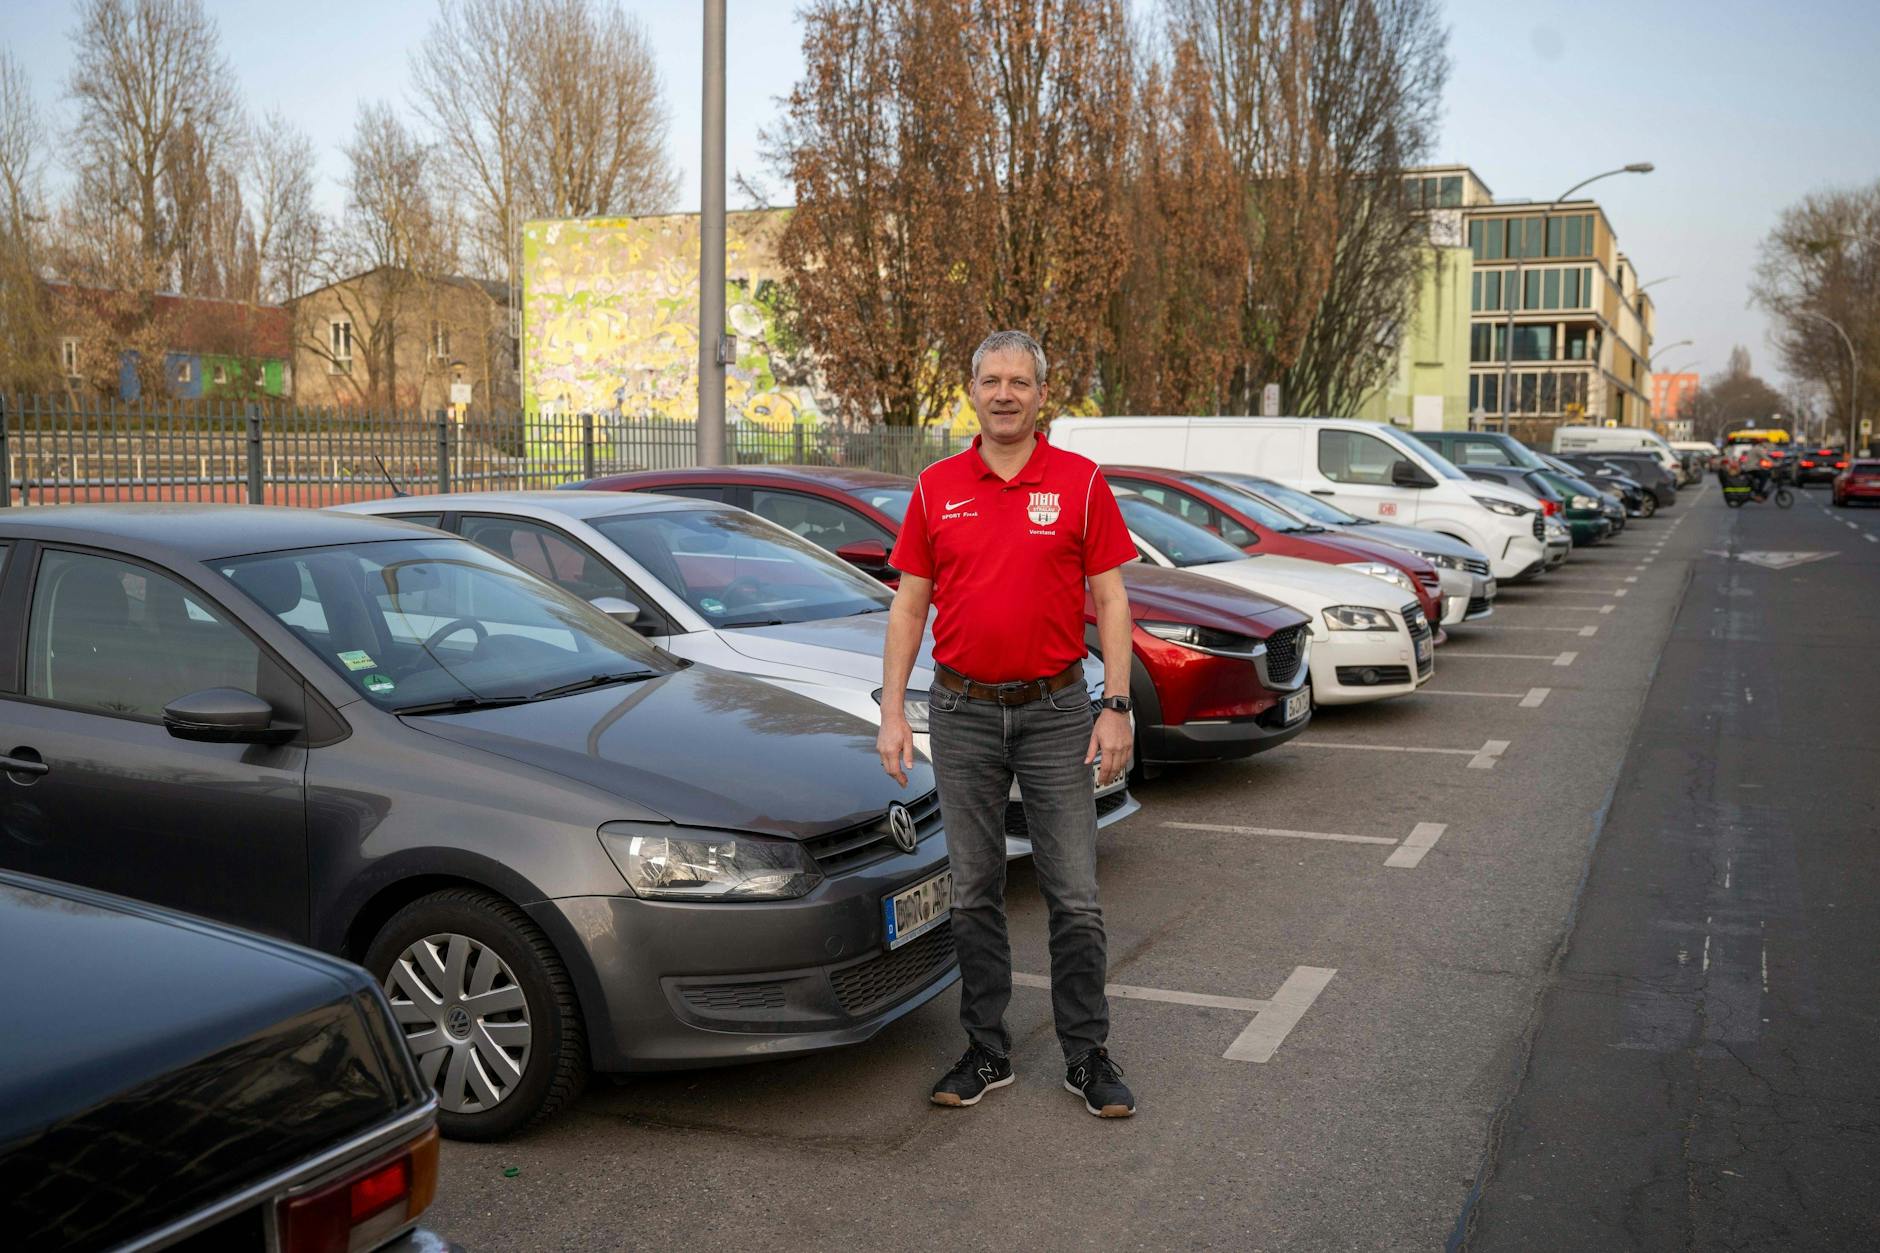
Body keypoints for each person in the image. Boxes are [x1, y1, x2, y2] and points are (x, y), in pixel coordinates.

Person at [877, 330, 1139, 1118]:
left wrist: (1116, 706)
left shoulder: (1082, 482)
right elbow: (910, 604)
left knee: (1076, 894)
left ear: (1040, 395)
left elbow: (1114, 600)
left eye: (1018, 382)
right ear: (971, 391)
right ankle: (987, 1050)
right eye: (990, 380)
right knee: (974, 892)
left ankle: (1086, 1054)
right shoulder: (934, 486)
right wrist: (892, 710)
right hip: (959, 712)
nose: (1004, 394)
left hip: (1058, 711)